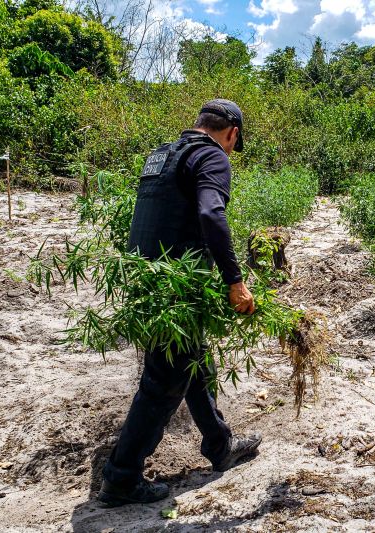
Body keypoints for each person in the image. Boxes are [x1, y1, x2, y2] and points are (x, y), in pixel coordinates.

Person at [98, 99, 262, 507]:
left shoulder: (162, 155)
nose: (229, 152)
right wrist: (235, 280)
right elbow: (211, 214)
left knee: (192, 362)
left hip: (149, 280)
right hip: (177, 286)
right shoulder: (210, 156)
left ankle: (220, 445)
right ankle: (121, 479)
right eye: (232, 145)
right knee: (164, 381)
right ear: (232, 133)